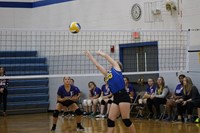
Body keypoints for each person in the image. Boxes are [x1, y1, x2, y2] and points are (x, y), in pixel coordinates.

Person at [85, 50, 136, 133]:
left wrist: (102, 54)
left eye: (112, 63)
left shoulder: (117, 69)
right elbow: (97, 65)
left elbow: (108, 57)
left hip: (123, 95)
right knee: (110, 119)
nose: (110, 64)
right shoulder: (107, 74)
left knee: (126, 120)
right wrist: (90, 56)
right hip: (115, 97)